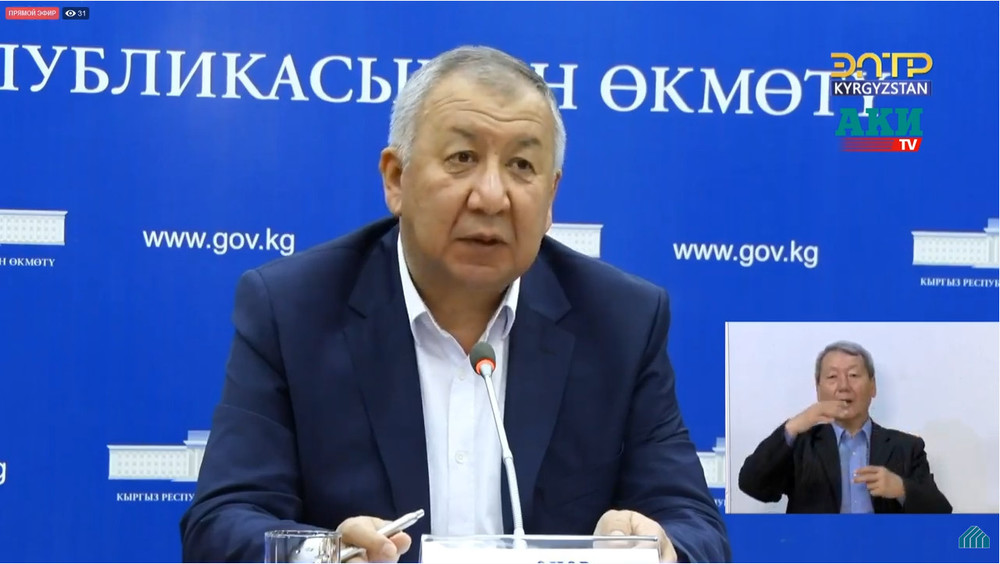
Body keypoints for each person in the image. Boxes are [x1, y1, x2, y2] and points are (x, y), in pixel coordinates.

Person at [179, 45, 730, 563]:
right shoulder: (294, 308)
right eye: (463, 157)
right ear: (396, 179)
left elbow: (695, 527)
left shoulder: (621, 321)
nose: (491, 196)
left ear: (551, 197)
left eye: (522, 166)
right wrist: (326, 553)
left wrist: (657, 546)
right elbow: (223, 520)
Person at [738, 340, 952, 514]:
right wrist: (794, 425)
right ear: (818, 389)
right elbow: (752, 484)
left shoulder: (906, 447)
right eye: (832, 377)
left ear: (873, 386)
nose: (843, 386)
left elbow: (941, 512)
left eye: (853, 375)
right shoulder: (801, 445)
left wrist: (901, 488)